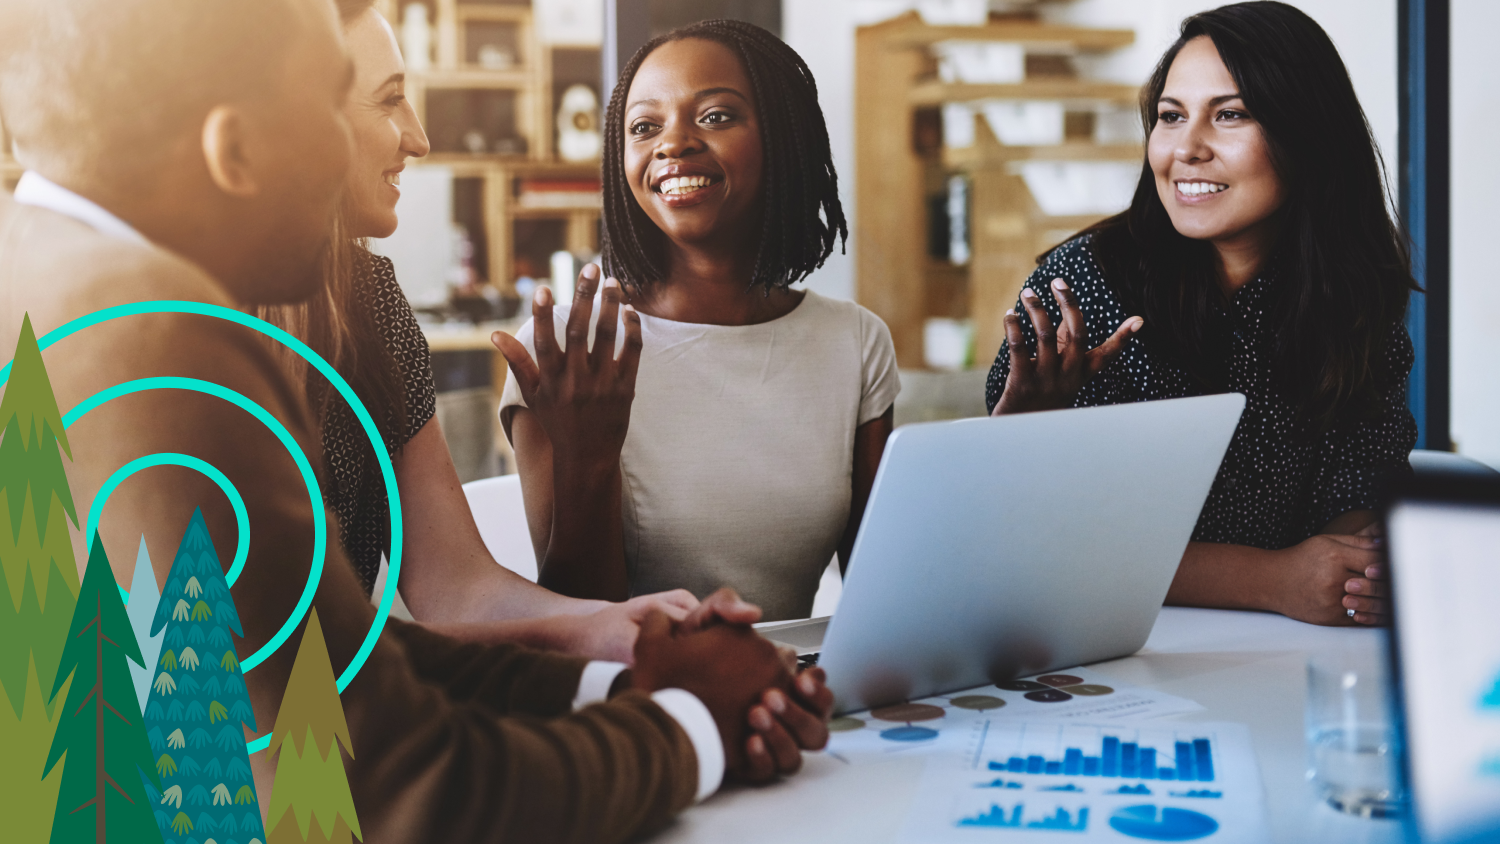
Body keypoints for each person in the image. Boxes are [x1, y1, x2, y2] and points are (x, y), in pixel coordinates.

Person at [0, 0, 831, 840]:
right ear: (236, 151)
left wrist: (608, 682)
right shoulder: (156, 342)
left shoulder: (49, 278)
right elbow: (392, 792)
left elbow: (327, 652)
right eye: (337, 99)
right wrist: (691, 729)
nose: (419, 140)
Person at [258, 0, 703, 664]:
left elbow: (457, 587)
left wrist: (612, 623)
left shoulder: (372, 302)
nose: (419, 138)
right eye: (390, 102)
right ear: (301, 120)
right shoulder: (166, 320)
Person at [984, 1, 1416, 628]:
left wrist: (1350, 568)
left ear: (1309, 134)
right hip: (1102, 647)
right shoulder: (1082, 288)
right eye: (1170, 116)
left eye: (1231, 115)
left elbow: (1359, 491)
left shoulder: (1355, 295)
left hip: (1285, 654)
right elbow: (1039, 537)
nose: (1186, 148)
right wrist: (1275, 580)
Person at [495, 20, 900, 620]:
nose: (672, 143)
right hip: (634, 703)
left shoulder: (855, 343)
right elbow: (577, 626)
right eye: (644, 127)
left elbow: (885, 600)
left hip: (791, 694)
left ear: (781, 137)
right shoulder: (566, 350)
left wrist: (1017, 430)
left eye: (715, 116)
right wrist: (590, 454)